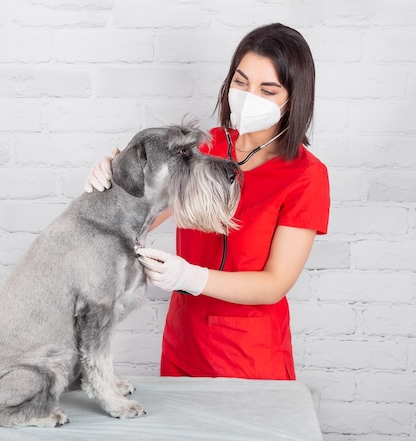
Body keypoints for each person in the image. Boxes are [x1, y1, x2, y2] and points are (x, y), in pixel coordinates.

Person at [85, 23, 330, 381]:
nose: (249, 97)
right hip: (183, 346)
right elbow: (143, 218)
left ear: (294, 99)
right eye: (241, 82)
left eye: (267, 90)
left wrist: (191, 276)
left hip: (250, 357)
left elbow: (275, 282)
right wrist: (113, 178)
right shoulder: (203, 147)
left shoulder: (306, 176)